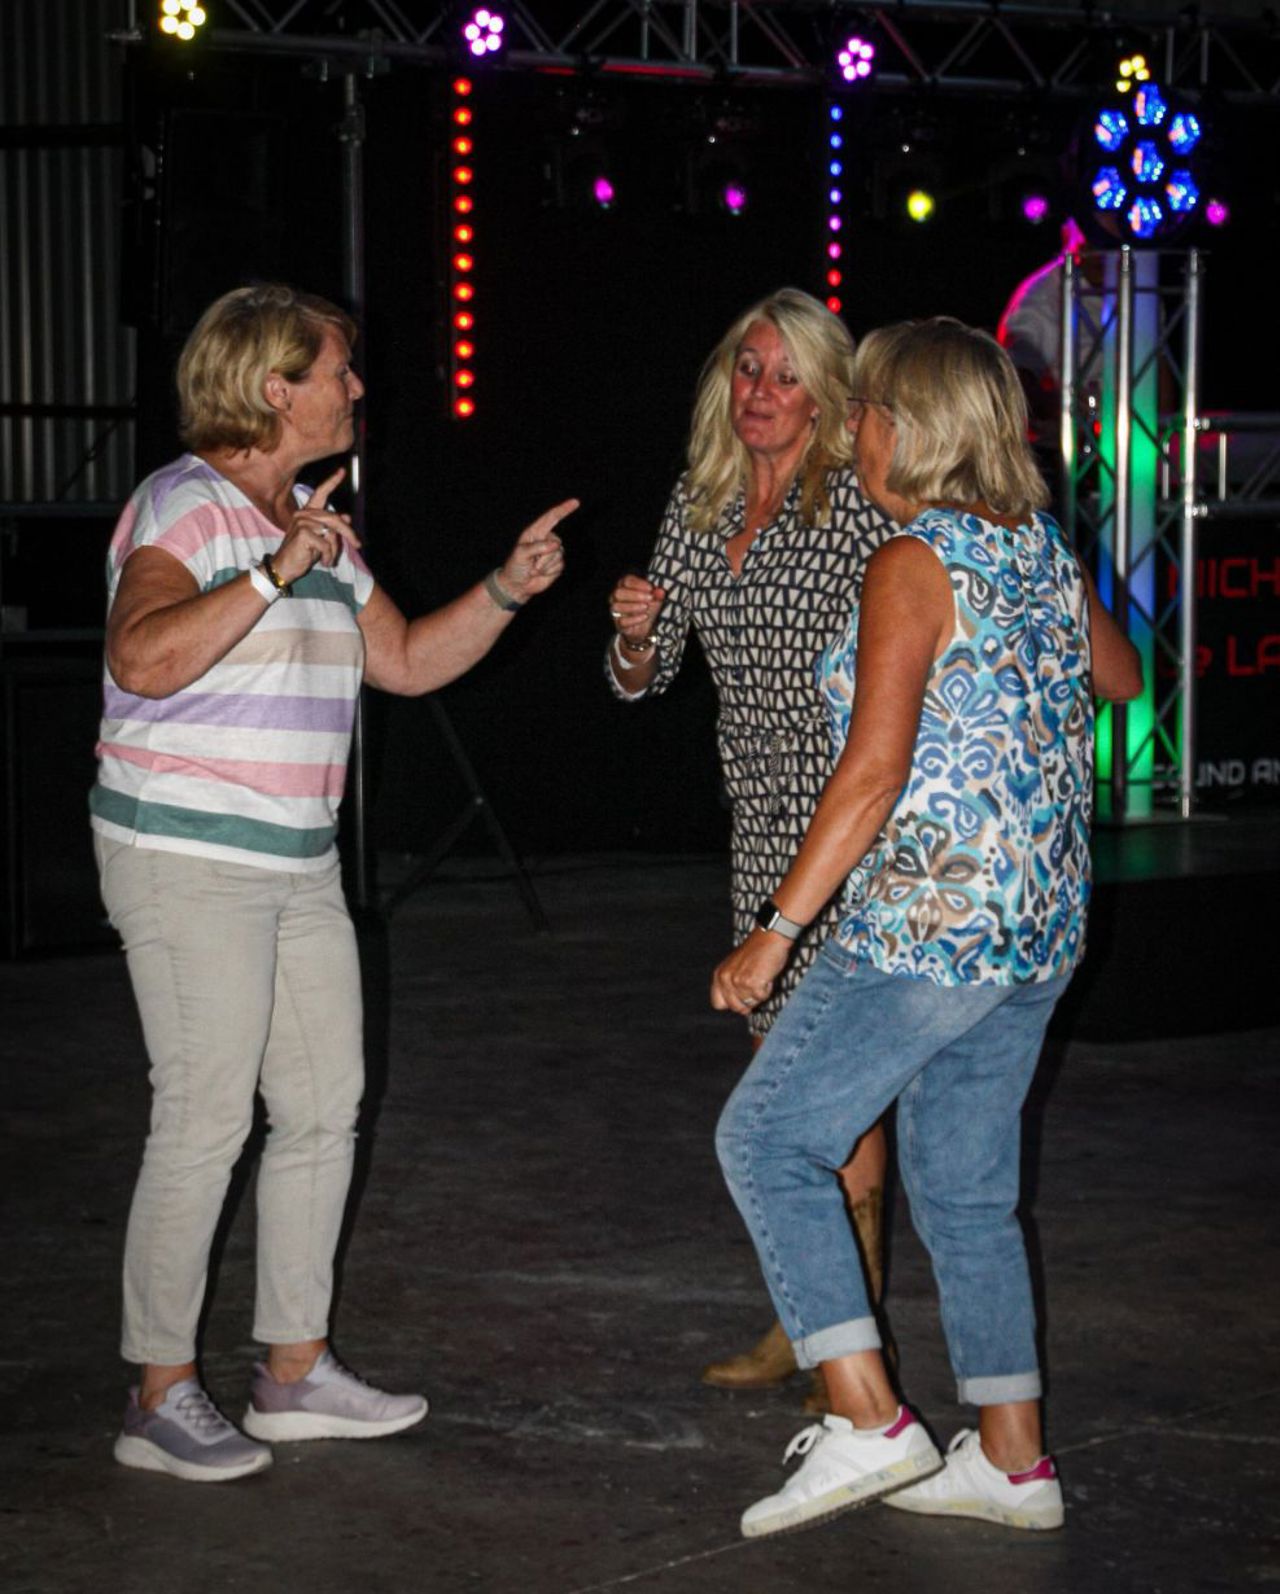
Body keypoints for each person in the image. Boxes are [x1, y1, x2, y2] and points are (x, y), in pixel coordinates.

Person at [91, 283, 577, 1483]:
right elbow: (140, 656)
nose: (360, 388)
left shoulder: (316, 524)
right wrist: (268, 573)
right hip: (186, 856)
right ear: (274, 387)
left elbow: (403, 659)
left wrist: (506, 588)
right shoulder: (185, 505)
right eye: (339, 370)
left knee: (321, 1107)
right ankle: (157, 1393)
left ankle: (293, 1372)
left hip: (294, 859)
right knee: (206, 1116)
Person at [711, 316, 1142, 1539]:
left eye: (860, 408)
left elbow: (871, 772)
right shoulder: (1033, 547)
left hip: (927, 926)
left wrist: (774, 932)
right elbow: (1119, 678)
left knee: (765, 1139)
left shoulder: (912, 558)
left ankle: (867, 1418)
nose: (850, 427)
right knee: (961, 1191)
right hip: (1037, 927)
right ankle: (1009, 1461)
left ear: (904, 426)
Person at [606, 288, 896, 1401]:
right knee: (784, 1072)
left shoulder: (858, 506)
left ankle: (849, 1347)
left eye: (784, 376)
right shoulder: (701, 498)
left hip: (850, 821)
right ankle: (810, 1318)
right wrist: (635, 637)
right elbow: (646, 679)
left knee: (839, 1088)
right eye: (747, 369)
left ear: (823, 398)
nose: (760, 392)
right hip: (759, 819)